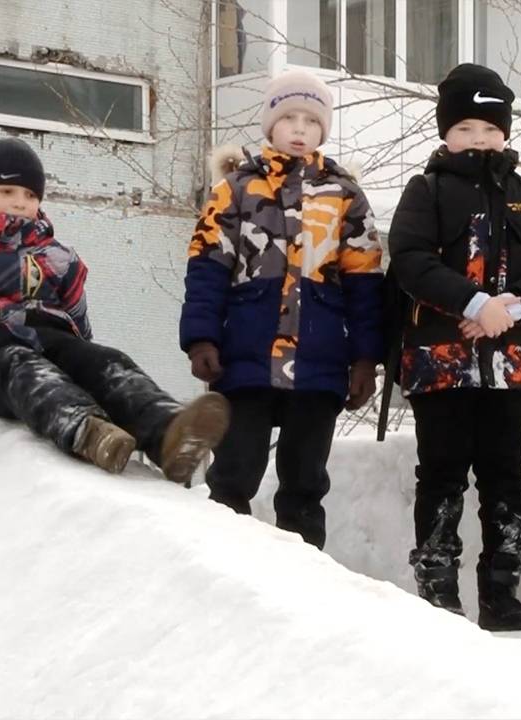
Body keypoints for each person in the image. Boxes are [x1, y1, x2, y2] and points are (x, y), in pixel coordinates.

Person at [0, 138, 229, 481]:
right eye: (7, 191)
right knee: (22, 369)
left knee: (104, 361)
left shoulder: (56, 254)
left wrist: (80, 352)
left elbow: (78, 320)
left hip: (48, 336)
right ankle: (87, 430)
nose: (20, 203)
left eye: (30, 195)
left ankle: (169, 431)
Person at [387, 63, 521, 630]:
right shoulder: (426, 191)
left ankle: (501, 592)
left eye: (490, 129)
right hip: (438, 363)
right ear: (446, 132)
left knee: (504, 473)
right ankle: (437, 587)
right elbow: (410, 261)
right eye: (467, 128)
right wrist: (474, 305)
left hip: (511, 364)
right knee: (442, 472)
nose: (479, 139)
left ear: (507, 132)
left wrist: (512, 307)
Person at [180, 69, 385, 549]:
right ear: (269, 125)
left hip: (320, 362)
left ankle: (304, 581)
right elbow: (207, 268)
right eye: (288, 118)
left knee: (305, 480)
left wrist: (364, 359)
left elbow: (365, 282)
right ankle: (226, 566)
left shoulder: (345, 195)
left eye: (311, 121)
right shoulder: (235, 190)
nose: (299, 129)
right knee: (234, 472)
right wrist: (202, 339)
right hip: (246, 356)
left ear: (323, 131)